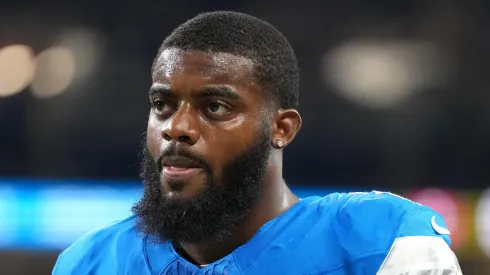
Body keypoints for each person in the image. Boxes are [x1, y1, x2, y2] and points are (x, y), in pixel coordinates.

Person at [52, 11, 462, 275]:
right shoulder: (86, 263)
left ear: (281, 129)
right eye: (162, 104)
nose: (176, 127)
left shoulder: (382, 246)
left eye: (214, 107)